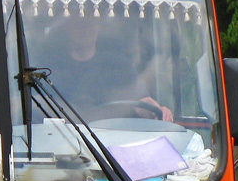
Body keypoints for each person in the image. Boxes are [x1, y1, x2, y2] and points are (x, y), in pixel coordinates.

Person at [40, 14, 173, 122]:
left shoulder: (118, 66)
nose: (85, 29)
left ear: (98, 26)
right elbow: (35, 105)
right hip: (64, 142)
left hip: (110, 144)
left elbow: (141, 102)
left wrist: (158, 112)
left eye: (91, 23)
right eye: (79, 24)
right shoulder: (49, 68)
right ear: (68, 28)